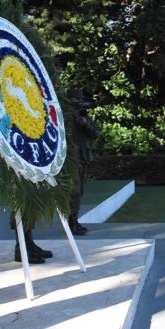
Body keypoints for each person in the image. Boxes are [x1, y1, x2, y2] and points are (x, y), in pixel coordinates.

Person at [67, 89, 98, 235]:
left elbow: (95, 134)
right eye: (75, 99)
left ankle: (74, 220)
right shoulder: (65, 116)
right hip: (71, 160)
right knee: (75, 191)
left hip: (82, 158)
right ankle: (71, 222)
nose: (78, 101)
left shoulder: (83, 114)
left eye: (79, 98)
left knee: (79, 193)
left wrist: (84, 123)